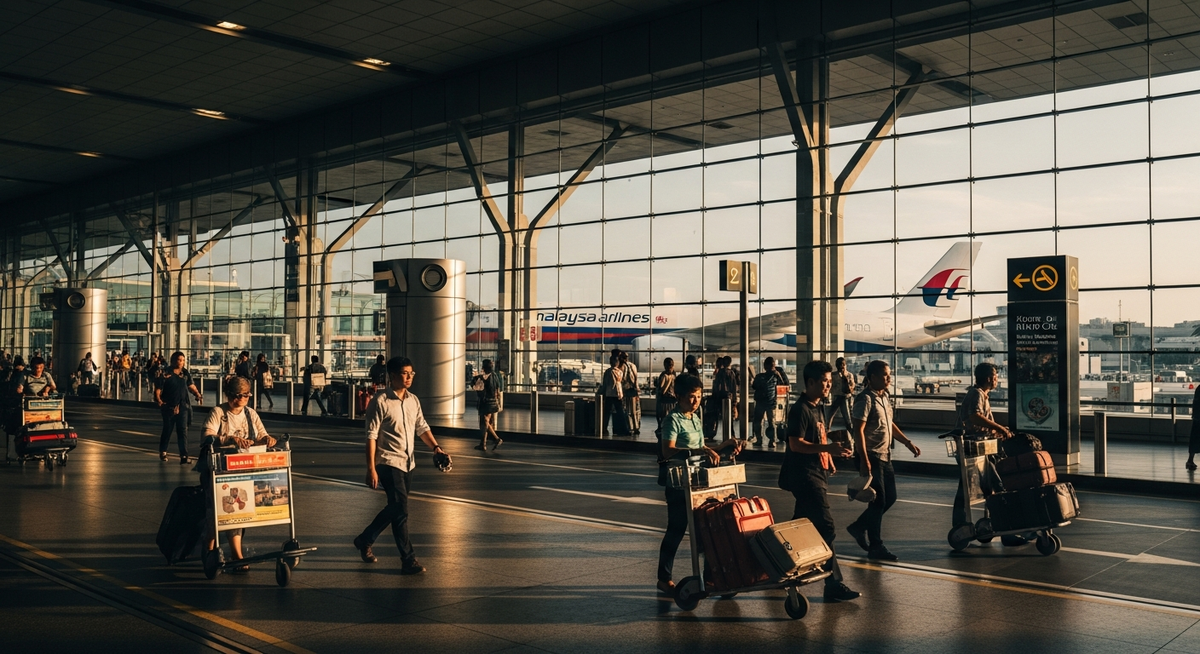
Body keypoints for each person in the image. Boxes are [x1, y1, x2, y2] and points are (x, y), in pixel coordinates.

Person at [352, 356, 449, 574]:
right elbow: (371, 436)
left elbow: (422, 427)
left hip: (408, 464)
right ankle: (408, 560)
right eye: (405, 373)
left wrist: (436, 448)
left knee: (397, 509)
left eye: (411, 373)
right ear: (392, 376)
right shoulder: (380, 401)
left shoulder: (413, 400)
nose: (409, 377)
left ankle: (365, 539)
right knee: (401, 510)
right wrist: (371, 468)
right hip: (388, 461)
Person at [778, 359, 859, 603]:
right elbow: (795, 443)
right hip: (804, 475)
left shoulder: (818, 407)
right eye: (824, 382)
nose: (828, 386)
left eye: (829, 382)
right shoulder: (800, 409)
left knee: (798, 526)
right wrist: (827, 448)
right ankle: (833, 583)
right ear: (810, 382)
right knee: (826, 527)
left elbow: (819, 436)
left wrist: (829, 456)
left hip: (817, 472)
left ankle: (772, 560)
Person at [656, 373, 743, 594]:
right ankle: (664, 578)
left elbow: (703, 447)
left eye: (698, 397)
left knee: (707, 529)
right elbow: (668, 451)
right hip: (678, 483)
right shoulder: (672, 419)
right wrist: (696, 450)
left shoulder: (695, 417)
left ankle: (713, 578)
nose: (695, 402)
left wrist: (725, 446)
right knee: (676, 530)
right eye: (690, 398)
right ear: (678, 396)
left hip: (698, 482)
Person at [844, 360, 921, 562]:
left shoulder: (884, 397)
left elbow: (890, 424)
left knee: (891, 497)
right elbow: (858, 430)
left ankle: (859, 527)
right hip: (871, 455)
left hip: (885, 455)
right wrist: (863, 460)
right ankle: (876, 546)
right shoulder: (865, 399)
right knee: (879, 501)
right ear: (873, 377)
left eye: (889, 374)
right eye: (885, 375)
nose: (889, 378)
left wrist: (907, 442)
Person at [199, 376, 276, 574]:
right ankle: (208, 549)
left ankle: (236, 554)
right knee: (215, 514)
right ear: (230, 396)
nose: (242, 400)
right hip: (217, 469)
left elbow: (261, 434)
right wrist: (228, 439)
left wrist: (267, 439)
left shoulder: (251, 414)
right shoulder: (218, 412)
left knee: (237, 513)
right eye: (239, 396)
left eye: (246, 396)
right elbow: (206, 436)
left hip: (242, 470)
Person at [953, 362, 1024, 545]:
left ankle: (961, 525)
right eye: (995, 377)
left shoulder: (982, 395)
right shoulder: (976, 394)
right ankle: (1006, 531)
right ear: (987, 378)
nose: (997, 380)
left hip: (979, 449)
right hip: (974, 450)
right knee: (996, 486)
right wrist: (998, 427)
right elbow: (975, 417)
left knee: (969, 490)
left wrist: (997, 430)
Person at [155, 351, 203, 464]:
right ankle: (163, 452)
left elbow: (191, 385)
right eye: (179, 360)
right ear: (173, 361)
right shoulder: (166, 373)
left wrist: (197, 394)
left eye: (183, 360)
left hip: (183, 406)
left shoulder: (185, 373)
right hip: (169, 406)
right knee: (168, 429)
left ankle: (184, 456)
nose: (181, 362)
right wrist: (159, 400)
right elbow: (158, 388)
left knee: (182, 430)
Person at [471, 359, 503, 451]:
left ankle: (496, 439)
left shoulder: (482, 377)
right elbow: (498, 389)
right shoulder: (495, 376)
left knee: (484, 421)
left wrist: (475, 377)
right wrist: (498, 401)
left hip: (485, 402)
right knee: (485, 423)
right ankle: (483, 443)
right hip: (493, 401)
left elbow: (476, 387)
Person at [751, 357, 784, 447]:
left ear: (765, 366)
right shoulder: (776, 376)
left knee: (758, 421)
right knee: (771, 422)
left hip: (760, 402)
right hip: (771, 401)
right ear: (774, 366)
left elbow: (754, 386)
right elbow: (783, 383)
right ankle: (772, 441)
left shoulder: (759, 376)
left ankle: (759, 439)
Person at [704, 356, 737, 441]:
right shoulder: (731, 373)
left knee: (715, 417)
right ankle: (731, 434)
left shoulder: (719, 373)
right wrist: (734, 401)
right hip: (728, 397)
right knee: (728, 418)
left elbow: (716, 387)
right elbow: (733, 387)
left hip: (719, 397)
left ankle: (711, 434)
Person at [827, 357, 855, 434]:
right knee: (830, 415)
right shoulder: (833, 375)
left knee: (847, 416)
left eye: (843, 365)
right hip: (836, 396)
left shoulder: (849, 375)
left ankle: (850, 431)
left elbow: (851, 389)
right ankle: (827, 428)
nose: (841, 367)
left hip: (845, 397)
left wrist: (845, 379)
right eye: (839, 365)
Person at [600, 351, 625, 436]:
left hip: (610, 394)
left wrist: (602, 393)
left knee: (606, 412)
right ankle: (622, 428)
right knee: (620, 412)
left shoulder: (608, 372)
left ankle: (604, 428)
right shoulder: (620, 372)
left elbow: (605, 383)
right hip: (619, 394)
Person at [618, 350, 642, 435]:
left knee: (627, 411)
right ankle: (636, 427)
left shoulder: (621, 367)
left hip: (626, 391)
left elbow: (622, 380)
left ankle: (630, 427)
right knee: (635, 411)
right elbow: (635, 379)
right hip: (633, 391)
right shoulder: (633, 366)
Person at [653, 358, 677, 439]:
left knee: (661, 415)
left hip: (663, 399)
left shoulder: (663, 375)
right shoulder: (674, 375)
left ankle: (661, 428)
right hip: (672, 399)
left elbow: (660, 387)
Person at [1189, 383, 1200, 471]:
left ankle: (1190, 460)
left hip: (1197, 418)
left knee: (1195, 439)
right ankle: (1190, 460)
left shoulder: (1199, 389)